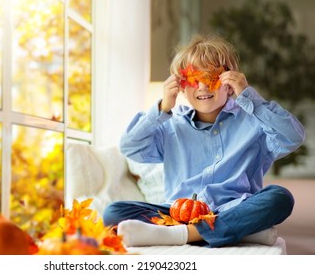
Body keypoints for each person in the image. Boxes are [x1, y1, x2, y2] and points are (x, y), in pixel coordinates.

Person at [102, 34, 306, 248]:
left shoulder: (254, 121)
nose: (202, 86)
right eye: (193, 79)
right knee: (114, 211)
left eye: (211, 77)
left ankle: (181, 235)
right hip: (177, 213)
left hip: (234, 208)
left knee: (280, 198)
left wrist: (249, 96)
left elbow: (293, 137)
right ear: (181, 86)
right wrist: (163, 108)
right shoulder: (171, 125)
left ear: (229, 83)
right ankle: (239, 231)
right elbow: (129, 146)